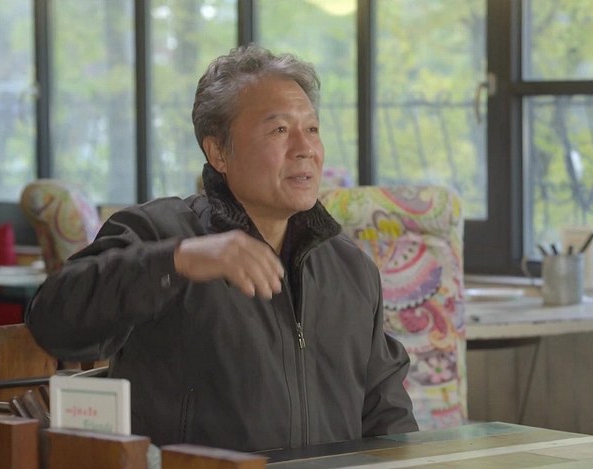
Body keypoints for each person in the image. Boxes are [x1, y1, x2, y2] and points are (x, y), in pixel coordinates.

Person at [25, 44, 418, 452]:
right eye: (279, 130)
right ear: (218, 152)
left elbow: (388, 418)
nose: (305, 148)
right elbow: (52, 321)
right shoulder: (158, 232)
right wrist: (178, 261)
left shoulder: (351, 267)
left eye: (313, 129)